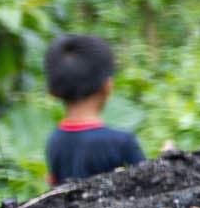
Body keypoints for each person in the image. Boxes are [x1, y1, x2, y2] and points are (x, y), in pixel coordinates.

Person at [42, 33, 144, 186]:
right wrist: (166, 162)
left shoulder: (54, 140)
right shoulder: (122, 142)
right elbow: (149, 185)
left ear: (51, 91)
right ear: (107, 86)